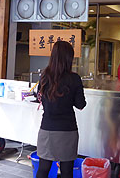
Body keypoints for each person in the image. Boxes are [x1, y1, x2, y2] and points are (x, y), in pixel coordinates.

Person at [36, 41, 87, 178]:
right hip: (67, 130)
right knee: (67, 171)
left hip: (47, 128)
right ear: (69, 58)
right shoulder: (74, 78)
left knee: (43, 169)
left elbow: (39, 97)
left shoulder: (44, 76)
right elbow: (80, 105)